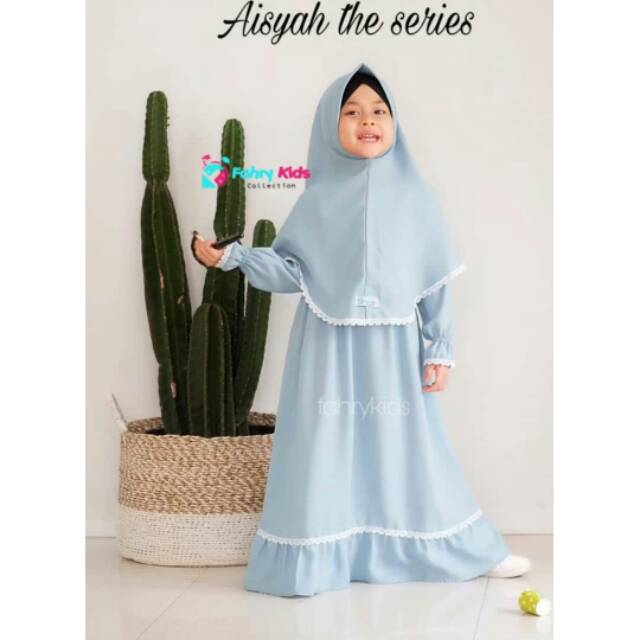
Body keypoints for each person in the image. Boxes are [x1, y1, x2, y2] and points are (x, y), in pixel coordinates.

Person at [193, 63, 530, 597]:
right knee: (322, 444)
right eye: (351, 112)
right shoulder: (317, 198)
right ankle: (316, 559)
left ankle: (456, 548)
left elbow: (434, 280)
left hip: (394, 347)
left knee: (409, 446)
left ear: (394, 123)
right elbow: (291, 271)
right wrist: (233, 258)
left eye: (378, 111)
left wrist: (438, 350)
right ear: (330, 126)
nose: (367, 121)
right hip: (326, 345)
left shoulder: (416, 197)